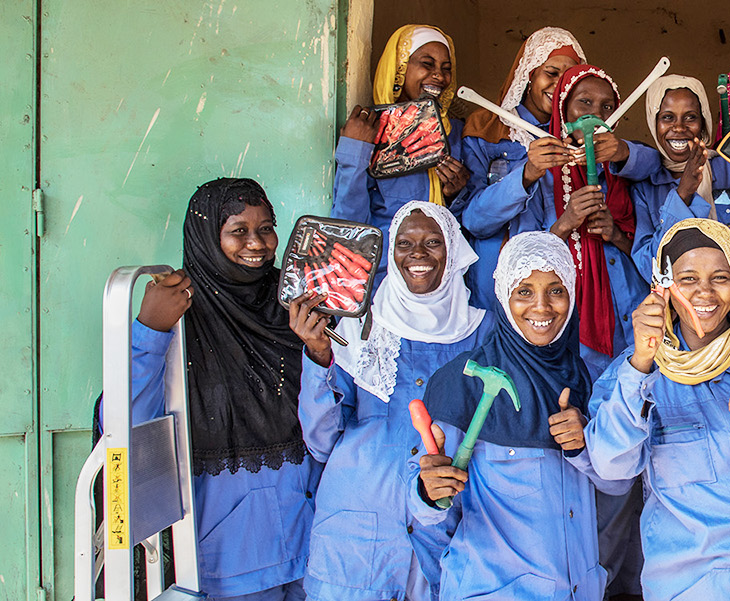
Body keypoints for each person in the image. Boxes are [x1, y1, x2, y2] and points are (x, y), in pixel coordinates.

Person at [585, 218, 730, 600]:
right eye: (687, 278)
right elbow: (612, 467)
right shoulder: (641, 372)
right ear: (664, 287)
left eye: (720, 277)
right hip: (694, 586)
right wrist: (643, 358)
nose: (704, 293)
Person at [407, 231, 630, 601]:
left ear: (572, 295)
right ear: (503, 298)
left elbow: (617, 485)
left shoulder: (583, 377)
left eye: (556, 290)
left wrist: (584, 445)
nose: (541, 307)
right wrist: (427, 493)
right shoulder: (462, 382)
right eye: (524, 291)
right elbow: (430, 519)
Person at [125, 178, 318, 601]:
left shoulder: (294, 303)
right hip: (232, 556)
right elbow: (129, 424)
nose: (258, 243)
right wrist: (149, 331)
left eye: (266, 228)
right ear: (207, 237)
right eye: (238, 230)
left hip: (315, 543)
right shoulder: (178, 310)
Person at [290, 202, 488, 601]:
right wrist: (317, 355)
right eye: (405, 243)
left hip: (443, 529)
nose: (417, 253)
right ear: (391, 253)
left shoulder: (481, 331)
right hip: (357, 535)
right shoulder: (358, 325)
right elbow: (321, 442)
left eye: (433, 242)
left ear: (453, 252)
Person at [508, 63, 653, 376]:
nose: (594, 114)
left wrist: (615, 234)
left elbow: (657, 164)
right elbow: (519, 258)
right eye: (584, 103)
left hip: (632, 314)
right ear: (563, 107)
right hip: (571, 323)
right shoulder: (540, 173)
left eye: (606, 107)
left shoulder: (622, 168)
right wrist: (565, 223)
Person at [629, 74, 730, 323]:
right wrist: (684, 194)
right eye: (667, 117)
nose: (678, 128)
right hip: (693, 322)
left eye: (690, 117)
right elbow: (652, 268)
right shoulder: (647, 187)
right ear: (653, 121)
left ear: (704, 122)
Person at [331, 25, 480, 278]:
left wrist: (456, 194)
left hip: (443, 276)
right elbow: (349, 220)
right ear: (399, 69)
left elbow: (468, 223)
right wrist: (355, 152)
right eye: (427, 64)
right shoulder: (370, 131)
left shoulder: (456, 132)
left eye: (446, 69)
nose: (439, 77)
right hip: (385, 277)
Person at [460, 26, 586, 311]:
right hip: (498, 279)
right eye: (551, 74)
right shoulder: (487, 128)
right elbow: (474, 221)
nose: (559, 87)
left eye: (569, 79)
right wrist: (527, 174)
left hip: (562, 286)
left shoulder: (582, 136)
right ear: (529, 74)